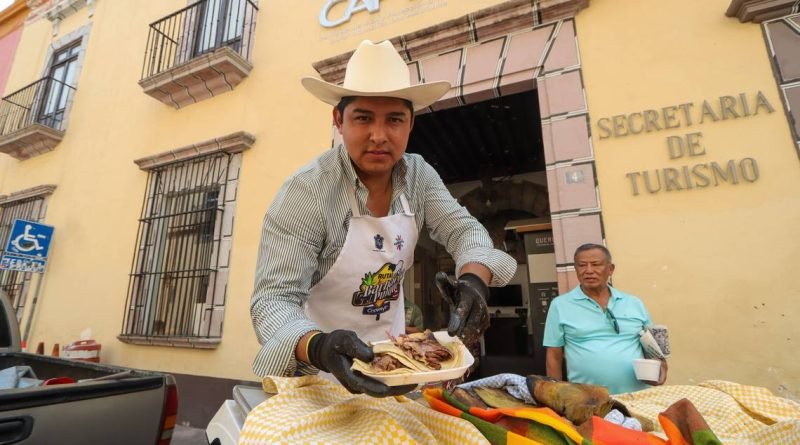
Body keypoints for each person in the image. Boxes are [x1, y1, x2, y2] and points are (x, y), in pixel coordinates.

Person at [250, 40, 517, 397]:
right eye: (363, 118)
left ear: (410, 124)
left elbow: (463, 230)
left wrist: (474, 282)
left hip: (396, 367)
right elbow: (272, 300)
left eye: (394, 119)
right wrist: (318, 347)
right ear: (338, 121)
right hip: (317, 378)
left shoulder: (419, 176)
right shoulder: (307, 192)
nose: (379, 135)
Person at [543, 243, 667, 394]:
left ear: (610, 269)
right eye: (582, 265)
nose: (588, 271)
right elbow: (554, 356)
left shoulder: (634, 303)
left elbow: (652, 345)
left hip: (638, 395)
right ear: (576, 270)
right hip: (588, 400)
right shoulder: (560, 305)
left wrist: (662, 365)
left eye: (596, 264)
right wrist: (556, 394)